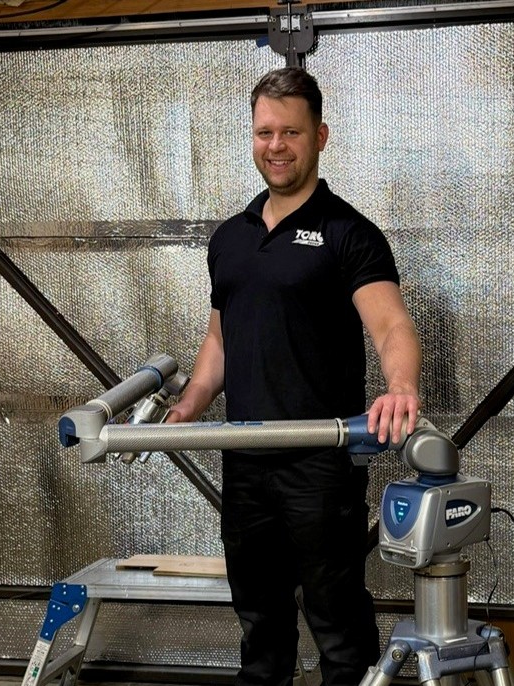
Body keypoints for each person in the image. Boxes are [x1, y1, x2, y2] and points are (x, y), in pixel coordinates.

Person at [167, 66, 422, 686]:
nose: (275, 146)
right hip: (244, 459)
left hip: (318, 463)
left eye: (290, 133)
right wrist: (191, 402)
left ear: (319, 137)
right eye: (264, 133)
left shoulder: (349, 234)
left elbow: (391, 324)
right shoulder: (230, 238)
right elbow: (220, 338)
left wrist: (401, 387)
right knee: (259, 619)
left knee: (336, 621)